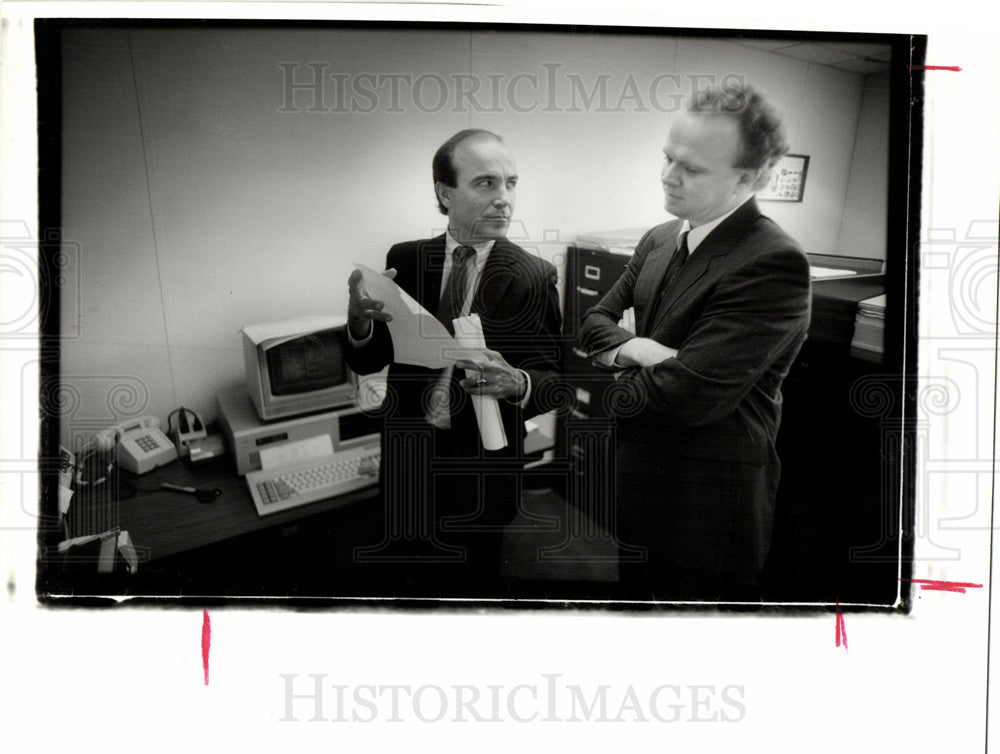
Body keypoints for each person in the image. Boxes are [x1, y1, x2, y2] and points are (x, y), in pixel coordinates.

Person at [579, 85, 811, 601]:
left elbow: (689, 395)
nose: (668, 176)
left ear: (750, 178)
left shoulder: (771, 261)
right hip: (640, 480)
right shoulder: (660, 238)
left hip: (707, 505)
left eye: (693, 168)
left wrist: (620, 366)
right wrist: (639, 349)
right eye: (668, 157)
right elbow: (592, 321)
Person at [345, 128, 562, 596]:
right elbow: (370, 361)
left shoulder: (533, 276)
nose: (504, 199)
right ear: (445, 192)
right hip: (408, 456)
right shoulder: (405, 259)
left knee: (472, 588)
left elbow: (553, 379)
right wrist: (359, 325)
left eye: (511, 183)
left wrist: (518, 381)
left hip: (481, 472)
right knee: (404, 580)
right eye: (486, 183)